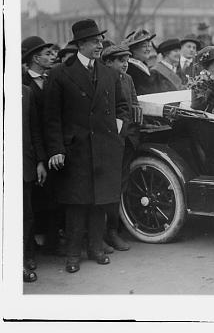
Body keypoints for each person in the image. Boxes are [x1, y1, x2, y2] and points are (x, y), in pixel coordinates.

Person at [43, 19, 130, 273]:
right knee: (76, 203)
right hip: (76, 149)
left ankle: (95, 248)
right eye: (94, 41)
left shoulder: (109, 73)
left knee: (98, 202)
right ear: (80, 44)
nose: (100, 45)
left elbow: (123, 107)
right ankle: (72, 254)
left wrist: (118, 129)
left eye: (101, 40)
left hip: (104, 147)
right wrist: (57, 148)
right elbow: (51, 117)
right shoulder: (60, 73)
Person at [21, 36, 63, 256]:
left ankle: (52, 242)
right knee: (36, 200)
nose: (52, 57)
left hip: (54, 147)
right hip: (36, 151)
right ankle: (32, 246)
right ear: (35, 58)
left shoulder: (51, 79)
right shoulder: (23, 83)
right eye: (47, 54)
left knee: (54, 196)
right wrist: (39, 157)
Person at [100, 44, 142, 252]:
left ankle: (113, 231)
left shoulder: (128, 80)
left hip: (126, 141)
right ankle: (102, 233)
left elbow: (134, 107)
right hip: (106, 143)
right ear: (107, 62)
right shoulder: (99, 79)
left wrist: (130, 135)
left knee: (119, 187)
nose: (125, 64)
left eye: (126, 60)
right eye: (120, 61)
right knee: (105, 189)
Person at [22, 85, 47, 282]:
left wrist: (40, 161)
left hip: (24, 164)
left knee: (26, 215)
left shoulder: (26, 92)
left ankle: (25, 257)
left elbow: (34, 129)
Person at [124, 28, 157, 95]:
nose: (148, 49)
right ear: (133, 49)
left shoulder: (143, 65)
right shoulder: (129, 68)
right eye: (144, 46)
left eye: (149, 46)